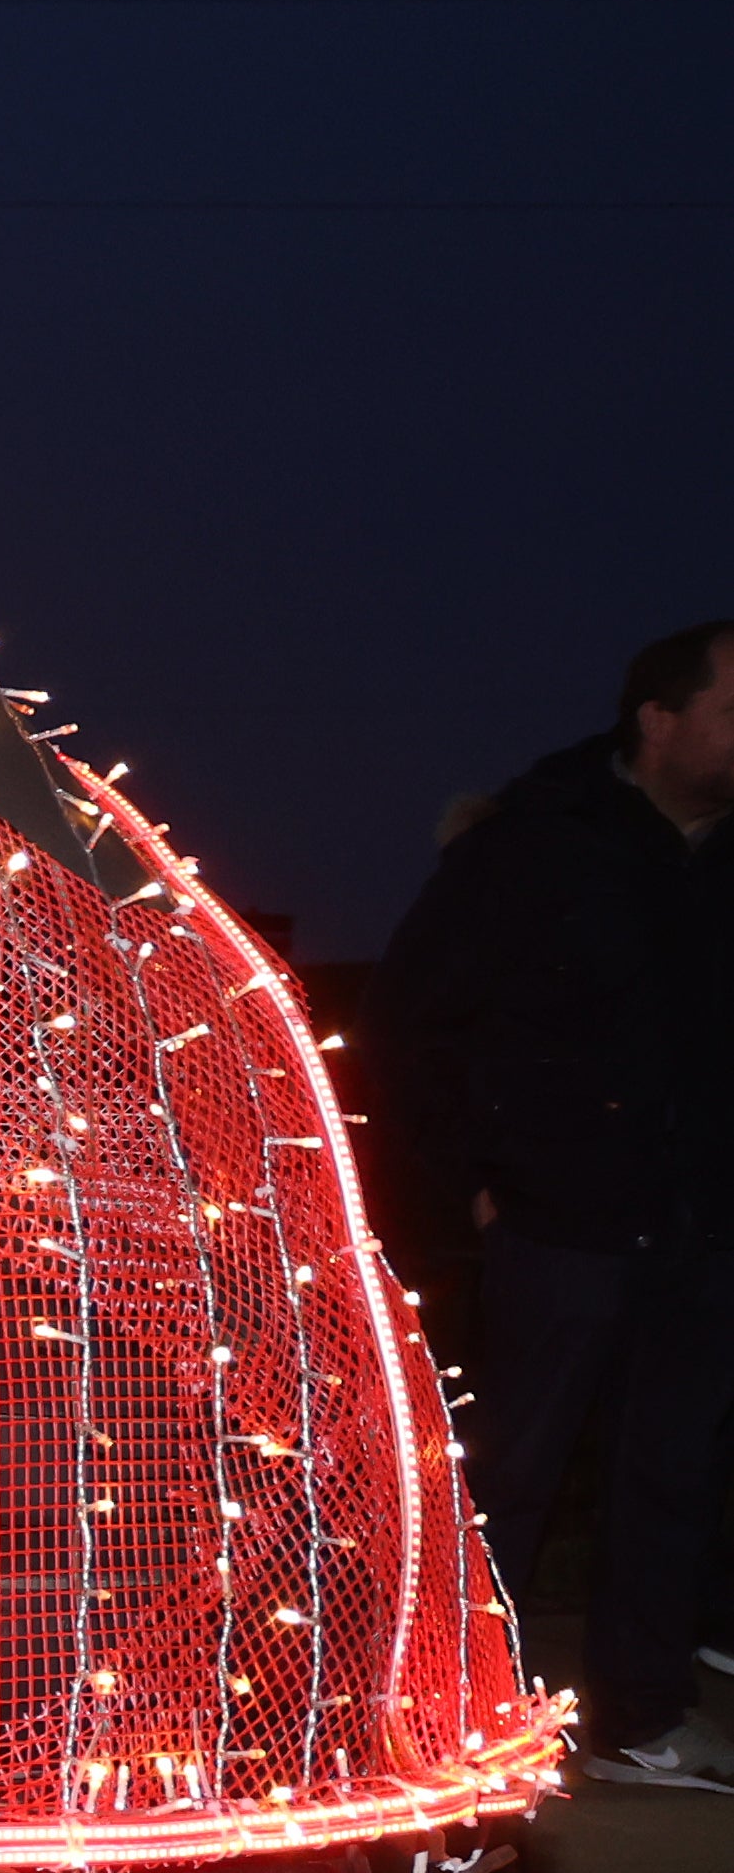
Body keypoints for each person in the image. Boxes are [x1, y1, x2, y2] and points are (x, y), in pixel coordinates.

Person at [379, 619, 734, 1790]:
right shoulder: (538, 847)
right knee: (509, 1476)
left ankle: (639, 1714)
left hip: (703, 1228)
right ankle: (453, 1710)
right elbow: (418, 1022)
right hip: (559, 1217)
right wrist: (476, 1187)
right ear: (660, 718)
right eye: (731, 711)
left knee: (671, 1478)